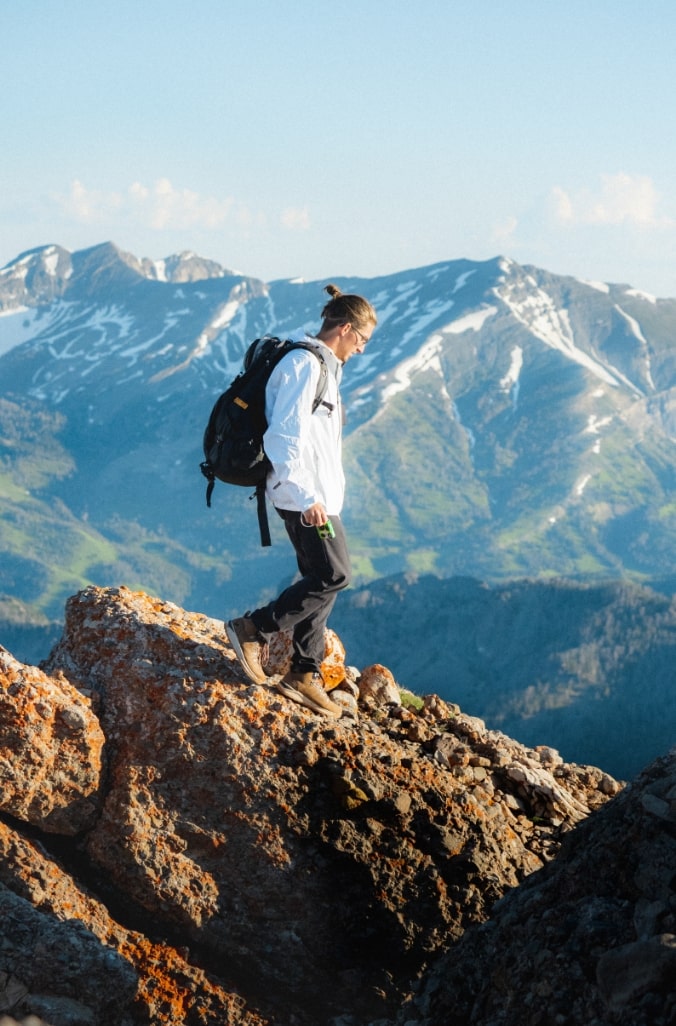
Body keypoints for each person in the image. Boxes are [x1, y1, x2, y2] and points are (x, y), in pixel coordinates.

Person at [226, 284, 377, 717]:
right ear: (345, 329)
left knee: (320, 577)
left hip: (318, 497)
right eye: (362, 340)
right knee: (334, 575)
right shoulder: (302, 365)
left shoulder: (324, 364)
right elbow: (284, 435)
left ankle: (304, 673)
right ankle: (253, 628)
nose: (362, 350)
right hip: (302, 497)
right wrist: (307, 495)